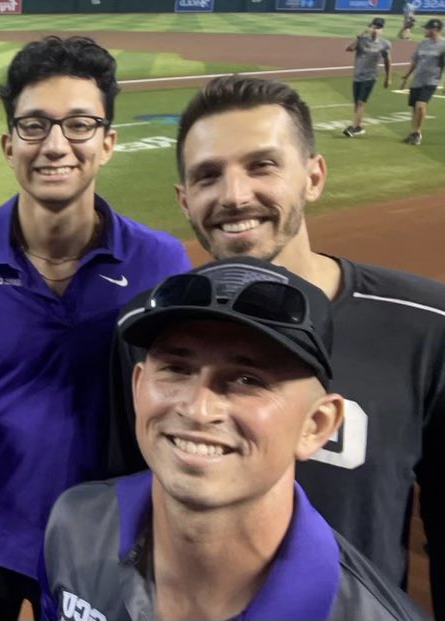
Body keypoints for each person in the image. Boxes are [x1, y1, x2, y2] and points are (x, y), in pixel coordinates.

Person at [108, 75, 445, 619]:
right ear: (185, 199)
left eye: (262, 165)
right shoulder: (148, 327)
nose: (235, 195)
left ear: (313, 176)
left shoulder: (427, 326)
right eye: (208, 175)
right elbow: (128, 495)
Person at [0, 35, 191, 621]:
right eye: (34, 126)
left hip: (112, 538)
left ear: (108, 143)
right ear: (7, 144)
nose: (55, 145)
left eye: (78, 125)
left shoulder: (160, 262)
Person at [45, 257, 429, 621]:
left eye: (249, 380)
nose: (197, 409)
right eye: (176, 369)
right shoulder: (77, 524)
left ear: (316, 425)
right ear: (138, 385)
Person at [398, 17, 444, 145]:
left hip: (431, 80)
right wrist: (406, 77)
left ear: (435, 29)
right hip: (417, 80)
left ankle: (418, 133)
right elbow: (415, 61)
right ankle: (414, 132)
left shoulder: (443, 45)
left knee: (420, 105)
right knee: (414, 108)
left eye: (427, 28)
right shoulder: (423, 43)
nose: (425, 30)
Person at [342, 17, 390, 138]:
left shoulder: (384, 44)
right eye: (374, 27)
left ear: (382, 29)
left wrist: (387, 77)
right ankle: (359, 126)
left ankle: (353, 127)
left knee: (361, 102)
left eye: (379, 28)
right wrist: (361, 36)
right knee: (357, 104)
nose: (376, 30)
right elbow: (349, 49)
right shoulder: (362, 40)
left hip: (370, 76)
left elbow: (387, 60)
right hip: (358, 75)